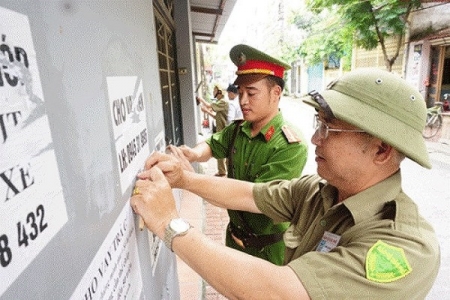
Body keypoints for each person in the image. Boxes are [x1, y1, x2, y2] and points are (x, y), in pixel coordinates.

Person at [131, 68, 440, 299]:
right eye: (319, 124)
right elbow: (249, 194)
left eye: (329, 130)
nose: (316, 138)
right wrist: (184, 178)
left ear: (382, 150)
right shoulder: (321, 192)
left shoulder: (404, 247)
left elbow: (279, 292)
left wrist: (169, 223)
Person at [175, 44, 308, 265]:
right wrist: (192, 154)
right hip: (235, 240)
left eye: (251, 93)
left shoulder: (290, 145)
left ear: (276, 93)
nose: (243, 101)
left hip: (268, 251)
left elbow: (251, 198)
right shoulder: (239, 129)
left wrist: (187, 180)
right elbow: (212, 144)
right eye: (241, 93)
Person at [196, 85, 229, 176]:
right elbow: (216, 116)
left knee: (225, 153)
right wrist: (207, 112)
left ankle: (226, 173)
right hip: (221, 131)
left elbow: (208, 105)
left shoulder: (223, 102)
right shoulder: (221, 102)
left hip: (224, 131)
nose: (213, 93)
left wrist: (200, 99)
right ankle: (222, 171)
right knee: (221, 151)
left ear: (219, 92)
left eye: (214, 91)